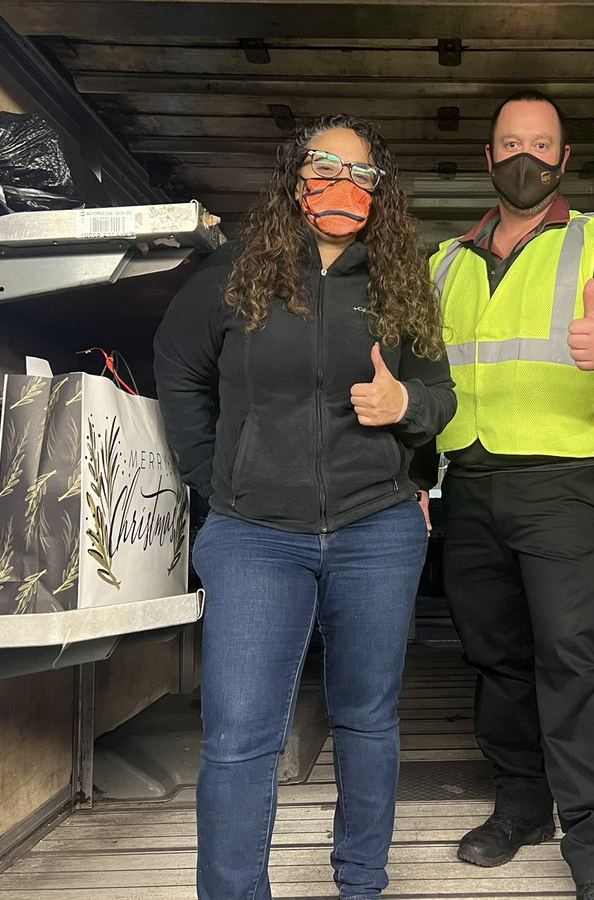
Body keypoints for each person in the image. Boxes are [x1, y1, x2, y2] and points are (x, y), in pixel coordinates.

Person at [154, 114, 456, 900]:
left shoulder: (399, 285)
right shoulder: (233, 275)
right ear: (295, 177)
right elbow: (179, 369)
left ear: (379, 194)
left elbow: (441, 398)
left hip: (376, 529)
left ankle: (361, 884)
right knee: (238, 740)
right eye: (325, 166)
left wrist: (406, 405)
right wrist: (212, 481)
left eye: (361, 174)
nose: (341, 186)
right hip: (255, 535)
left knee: (367, 722)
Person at [428, 90, 594, 900]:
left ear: (564, 161)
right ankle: (523, 804)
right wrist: (416, 478)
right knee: (496, 660)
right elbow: (424, 385)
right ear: (488, 158)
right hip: (470, 484)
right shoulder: (446, 263)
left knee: (573, 658)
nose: (525, 158)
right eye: (509, 144)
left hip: (563, 484)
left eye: (541, 145)